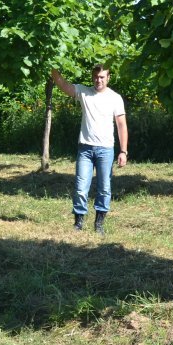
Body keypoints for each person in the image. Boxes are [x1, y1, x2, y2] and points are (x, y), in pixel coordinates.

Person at [51, 65, 128, 234]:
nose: (98, 80)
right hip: (85, 149)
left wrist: (123, 151)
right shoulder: (84, 92)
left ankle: (99, 223)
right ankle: (78, 222)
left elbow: (121, 125)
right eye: (95, 76)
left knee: (104, 187)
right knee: (80, 186)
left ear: (108, 78)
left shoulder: (115, 98)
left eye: (102, 77)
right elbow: (63, 85)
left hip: (106, 150)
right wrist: (54, 67)